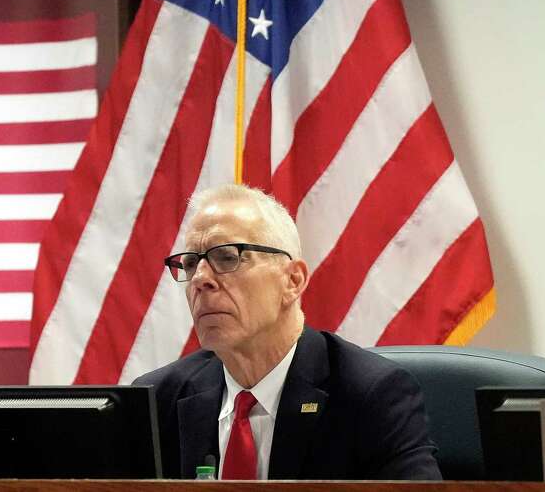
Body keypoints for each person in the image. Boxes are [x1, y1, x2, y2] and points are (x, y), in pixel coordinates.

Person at [133, 184, 441, 480]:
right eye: (189, 264)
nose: (200, 279)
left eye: (227, 257)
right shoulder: (159, 399)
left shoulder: (371, 396)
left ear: (293, 280)